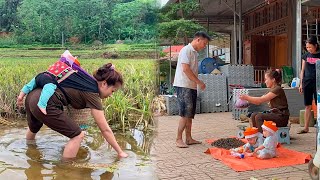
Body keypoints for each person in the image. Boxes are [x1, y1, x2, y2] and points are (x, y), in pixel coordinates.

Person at [21, 63, 128, 160]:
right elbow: (105, 129)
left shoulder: (84, 82)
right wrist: (120, 152)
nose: (110, 95)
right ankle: (67, 170)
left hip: (31, 96)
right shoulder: (93, 93)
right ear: (104, 84)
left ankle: (30, 152)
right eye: (112, 91)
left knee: (34, 128)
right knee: (78, 136)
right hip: (45, 103)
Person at [173, 31, 211, 148]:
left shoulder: (194, 53)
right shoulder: (186, 50)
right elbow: (185, 69)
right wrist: (199, 82)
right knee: (185, 114)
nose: (204, 46)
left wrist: (196, 83)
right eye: (204, 43)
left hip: (190, 86)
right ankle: (178, 139)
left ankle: (188, 138)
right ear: (198, 40)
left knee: (189, 114)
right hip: (184, 85)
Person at [17, 50, 82, 115]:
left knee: (28, 86)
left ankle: (21, 96)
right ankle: (42, 105)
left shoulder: (57, 63)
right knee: (48, 91)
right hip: (49, 80)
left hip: (41, 75)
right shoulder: (69, 69)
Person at [298, 36, 319, 134]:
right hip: (307, 82)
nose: (309, 49)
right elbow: (302, 70)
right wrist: (301, 84)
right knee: (307, 105)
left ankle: (318, 124)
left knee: (318, 104)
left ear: (315, 45)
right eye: (307, 47)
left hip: (318, 83)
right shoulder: (305, 56)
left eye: (310, 47)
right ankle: (306, 127)